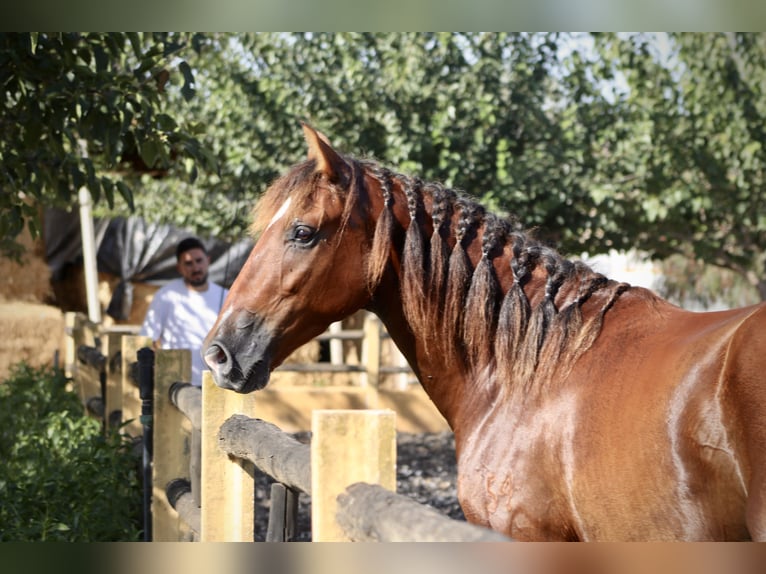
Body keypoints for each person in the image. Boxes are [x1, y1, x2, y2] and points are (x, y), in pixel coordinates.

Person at [140, 237, 228, 386]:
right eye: (188, 263)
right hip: (176, 385)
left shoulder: (226, 296)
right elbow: (147, 340)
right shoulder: (166, 296)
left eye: (199, 261)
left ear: (208, 260)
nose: (195, 267)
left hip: (217, 384)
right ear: (179, 267)